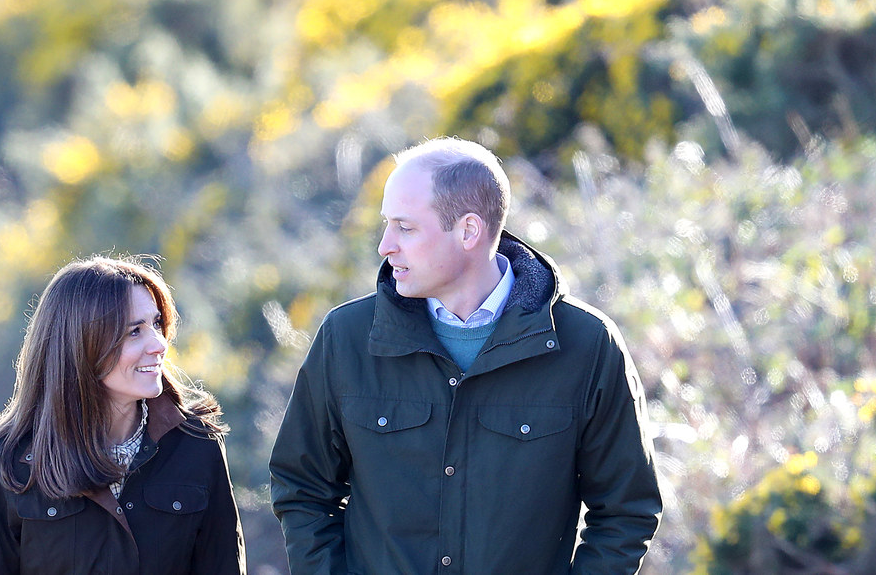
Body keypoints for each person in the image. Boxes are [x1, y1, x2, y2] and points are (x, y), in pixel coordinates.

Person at [269, 137, 662, 574]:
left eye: (405, 227)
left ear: (469, 231)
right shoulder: (345, 338)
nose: (385, 245)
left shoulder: (588, 345)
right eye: (387, 224)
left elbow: (627, 510)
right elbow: (301, 489)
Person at [0, 256, 246, 575]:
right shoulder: (11, 460)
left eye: (156, 324)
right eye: (134, 332)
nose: (159, 344)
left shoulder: (197, 445)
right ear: (81, 345)